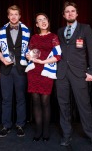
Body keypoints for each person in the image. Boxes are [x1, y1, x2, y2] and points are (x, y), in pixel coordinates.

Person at [56, 1, 92, 147]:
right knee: (63, 106)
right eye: (67, 11)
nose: (70, 13)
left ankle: (91, 135)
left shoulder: (85, 28)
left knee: (84, 105)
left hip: (79, 73)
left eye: (72, 11)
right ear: (64, 15)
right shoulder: (59, 31)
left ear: (77, 13)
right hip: (62, 73)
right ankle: (66, 135)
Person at [25, 13, 61, 142]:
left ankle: (46, 131)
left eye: (44, 19)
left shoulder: (53, 37)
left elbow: (58, 55)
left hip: (46, 71)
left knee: (45, 102)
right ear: (37, 25)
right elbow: (28, 52)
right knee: (35, 101)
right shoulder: (34, 37)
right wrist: (29, 56)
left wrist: (42, 62)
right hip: (34, 72)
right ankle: (38, 130)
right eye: (39, 20)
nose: (43, 21)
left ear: (48, 21)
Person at [0, 5, 30, 137]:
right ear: (8, 16)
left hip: (21, 69)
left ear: (20, 16)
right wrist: (2, 59)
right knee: (6, 99)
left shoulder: (27, 31)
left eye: (16, 14)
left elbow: (30, 48)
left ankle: (20, 125)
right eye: (11, 14)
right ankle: (6, 125)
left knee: (21, 98)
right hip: (5, 69)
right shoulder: (1, 31)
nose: (14, 16)